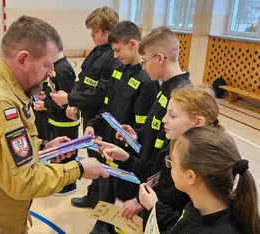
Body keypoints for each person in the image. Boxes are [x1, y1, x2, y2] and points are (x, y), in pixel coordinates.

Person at [0, 15, 108, 234]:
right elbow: (22, 181)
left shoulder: (2, 88)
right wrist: (79, 168)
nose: (51, 72)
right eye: (46, 64)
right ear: (23, 59)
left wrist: (42, 148)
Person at [95, 26, 192, 222]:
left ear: (160, 58)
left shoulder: (182, 97)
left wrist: (142, 200)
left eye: (145, 61)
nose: (143, 67)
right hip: (142, 175)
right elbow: (155, 134)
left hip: (155, 193)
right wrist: (138, 134)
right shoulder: (164, 88)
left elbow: (171, 163)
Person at [85, 20, 158, 234]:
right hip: (107, 147)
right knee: (105, 188)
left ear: (132, 45)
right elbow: (106, 107)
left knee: (121, 198)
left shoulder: (147, 81)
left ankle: (111, 228)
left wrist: (128, 144)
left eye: (118, 50)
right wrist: (92, 125)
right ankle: (102, 224)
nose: (115, 55)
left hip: (125, 156)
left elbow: (143, 131)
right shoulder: (118, 70)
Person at [51, 6, 123, 209]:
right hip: (88, 114)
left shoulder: (112, 57)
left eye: (95, 32)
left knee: (102, 158)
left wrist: (70, 99)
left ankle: (102, 200)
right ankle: (95, 193)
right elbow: (85, 80)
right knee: (93, 154)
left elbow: (101, 93)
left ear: (108, 31)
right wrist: (75, 103)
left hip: (100, 117)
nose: (92, 36)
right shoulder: (97, 51)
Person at [135, 85, 223, 232]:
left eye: (172, 115)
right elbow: (156, 174)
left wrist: (156, 208)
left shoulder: (204, 166)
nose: (164, 119)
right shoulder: (173, 141)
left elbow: (189, 225)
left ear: (197, 122)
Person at [161, 126, 260, 233]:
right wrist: (156, 207)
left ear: (190, 176)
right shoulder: (199, 205)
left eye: (173, 163)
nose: (170, 166)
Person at [34, 49, 80, 195]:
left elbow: (66, 100)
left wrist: (46, 105)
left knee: (67, 152)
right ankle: (61, 182)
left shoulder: (63, 70)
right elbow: (54, 92)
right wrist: (45, 96)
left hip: (66, 122)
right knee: (59, 154)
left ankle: (69, 185)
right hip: (55, 119)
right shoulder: (56, 67)